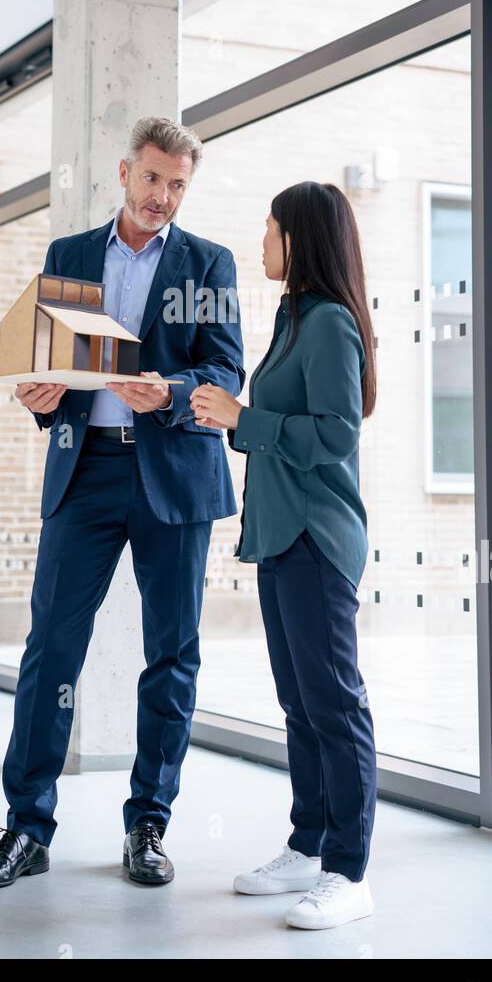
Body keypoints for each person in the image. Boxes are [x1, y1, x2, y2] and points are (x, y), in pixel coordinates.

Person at [0, 118, 245, 891]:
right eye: (152, 179)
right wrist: (39, 395)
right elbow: (51, 366)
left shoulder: (207, 263)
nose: (163, 197)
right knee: (50, 650)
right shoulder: (72, 256)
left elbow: (226, 368)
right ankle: (26, 829)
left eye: (178, 185)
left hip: (173, 478)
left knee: (171, 655)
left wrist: (173, 391)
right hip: (83, 473)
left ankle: (148, 825)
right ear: (125, 172)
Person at [190, 181, 377, 930]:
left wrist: (246, 417)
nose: (261, 243)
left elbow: (335, 436)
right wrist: (231, 418)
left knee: (334, 703)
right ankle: (307, 845)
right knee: (298, 704)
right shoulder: (291, 317)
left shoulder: (330, 322)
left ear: (299, 239)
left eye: (270, 230)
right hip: (278, 536)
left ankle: (349, 870)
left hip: (317, 538)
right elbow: (272, 423)